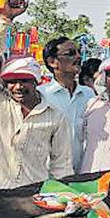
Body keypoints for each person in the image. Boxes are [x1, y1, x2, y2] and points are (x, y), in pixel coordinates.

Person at [0, 0, 73, 190]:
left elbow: (62, 165)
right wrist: (4, 20)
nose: (17, 87)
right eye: (11, 82)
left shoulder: (56, 117)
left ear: (36, 82)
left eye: (24, 81)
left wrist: (61, 197)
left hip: (30, 199)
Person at [38, 37, 95, 173]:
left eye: (78, 52)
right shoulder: (41, 95)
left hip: (81, 175)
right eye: (70, 53)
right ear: (52, 62)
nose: (78, 56)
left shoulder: (88, 95)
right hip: (48, 177)